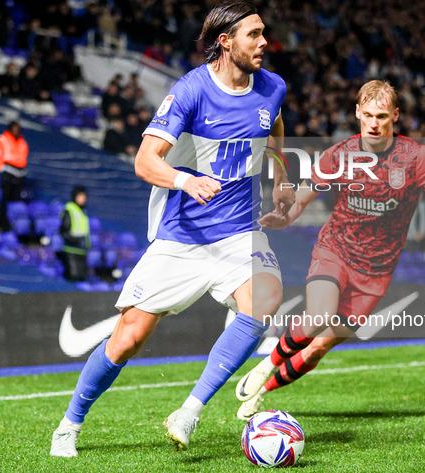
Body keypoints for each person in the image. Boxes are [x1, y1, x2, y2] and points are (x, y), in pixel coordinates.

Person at [50, 1, 295, 457]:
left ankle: (190, 410)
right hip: (182, 237)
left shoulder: (272, 87)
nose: (265, 42)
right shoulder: (190, 92)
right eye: (254, 35)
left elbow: (275, 125)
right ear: (225, 42)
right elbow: (145, 160)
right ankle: (70, 423)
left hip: (239, 232)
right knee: (128, 338)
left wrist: (281, 179)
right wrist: (186, 180)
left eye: (265, 33)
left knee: (265, 300)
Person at [235, 80, 425, 420]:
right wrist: (285, 219)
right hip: (336, 252)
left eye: (382, 116)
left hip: (376, 272)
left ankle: (262, 394)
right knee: (319, 315)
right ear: (357, 112)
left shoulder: (416, 158)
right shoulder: (339, 155)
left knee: (319, 346)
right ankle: (264, 366)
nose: (374, 123)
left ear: (395, 117)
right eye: (368, 115)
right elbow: (301, 198)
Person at [0, 121, 29, 231]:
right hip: (7, 173)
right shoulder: (2, 139)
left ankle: (14, 225)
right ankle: (2, 223)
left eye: (18, 128)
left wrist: (21, 172)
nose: (16, 130)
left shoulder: (22, 141)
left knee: (16, 201)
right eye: (14, 128)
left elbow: (23, 157)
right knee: (4, 199)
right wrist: (2, 169)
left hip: (19, 174)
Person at [59, 186, 91, 282]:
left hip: (81, 251)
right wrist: (76, 241)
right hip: (71, 251)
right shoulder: (70, 209)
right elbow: (64, 231)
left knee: (82, 278)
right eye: (81, 196)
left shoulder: (82, 211)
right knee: (73, 278)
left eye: (84, 196)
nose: (83, 199)